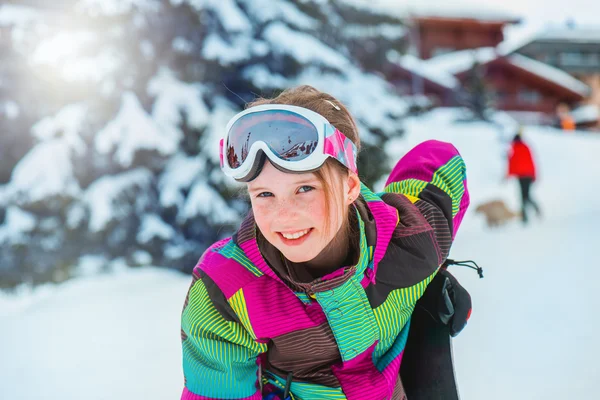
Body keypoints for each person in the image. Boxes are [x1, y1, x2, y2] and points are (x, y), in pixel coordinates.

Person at [180, 86, 470, 400]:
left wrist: (432, 272)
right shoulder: (227, 288)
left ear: (350, 188)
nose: (284, 215)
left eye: (304, 188)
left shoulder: (408, 238)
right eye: (264, 194)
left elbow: (443, 160)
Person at [507, 130, 541, 224]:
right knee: (526, 195)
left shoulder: (514, 149)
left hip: (522, 176)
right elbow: (531, 162)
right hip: (528, 175)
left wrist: (508, 174)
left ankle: (526, 216)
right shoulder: (526, 147)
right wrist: (534, 175)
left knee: (523, 196)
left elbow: (512, 163)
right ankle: (530, 212)